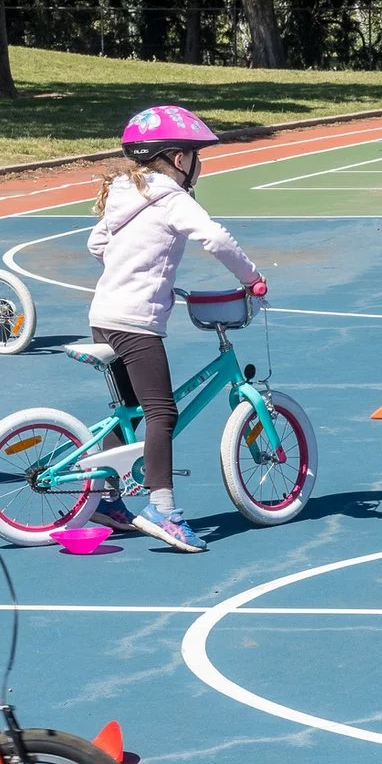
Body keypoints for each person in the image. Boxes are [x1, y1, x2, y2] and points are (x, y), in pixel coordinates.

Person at [84, 105, 265, 554]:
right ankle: (162, 509)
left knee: (124, 411)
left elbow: (96, 243)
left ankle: (108, 502)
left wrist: (133, 267)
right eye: (196, 156)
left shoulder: (126, 189)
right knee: (162, 413)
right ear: (180, 158)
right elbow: (217, 239)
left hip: (103, 315)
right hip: (136, 322)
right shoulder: (172, 199)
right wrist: (252, 278)